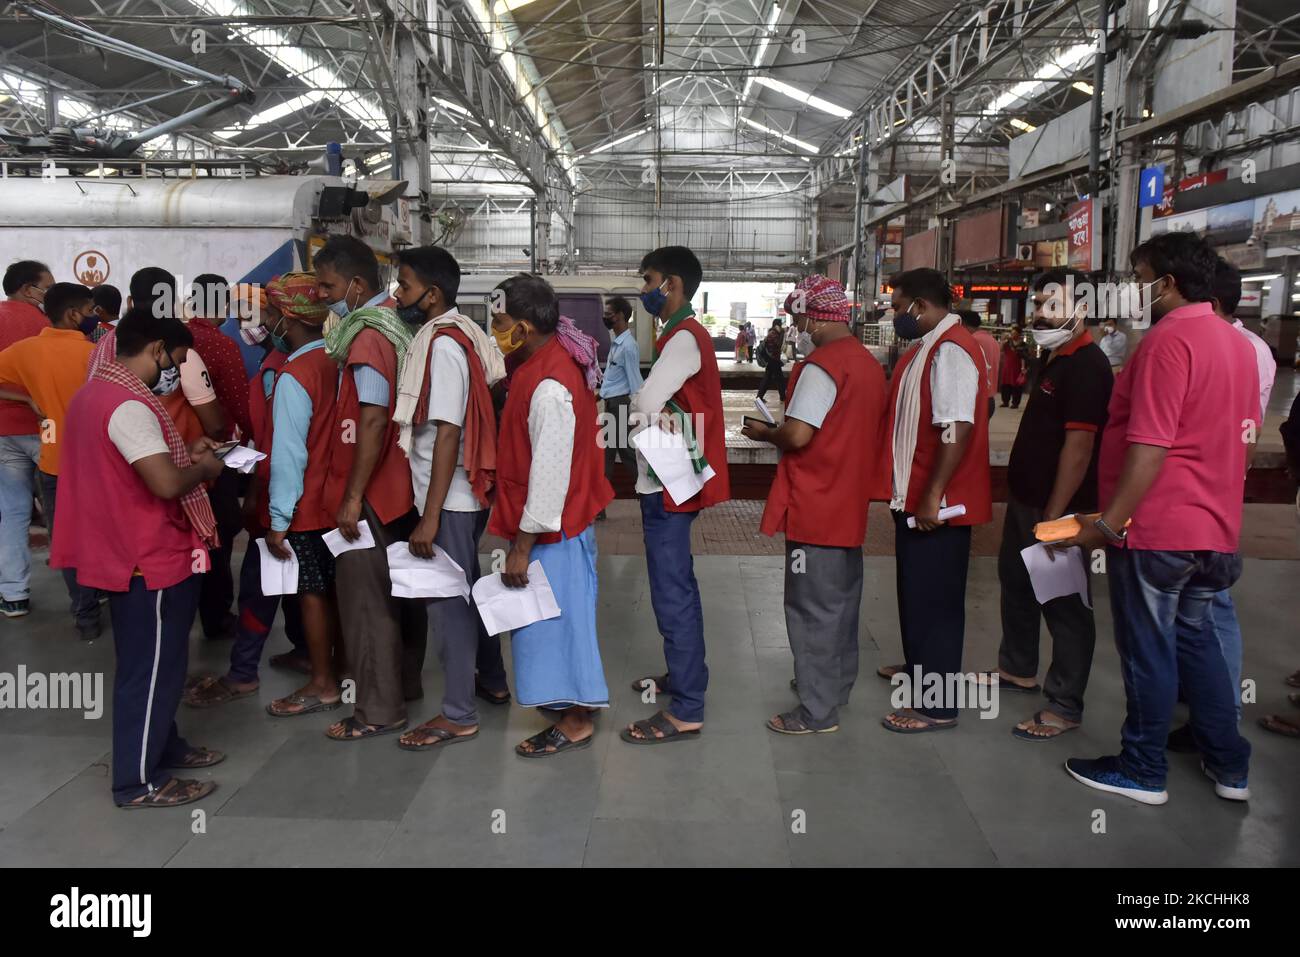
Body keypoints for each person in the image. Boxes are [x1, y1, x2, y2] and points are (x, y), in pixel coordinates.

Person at [1057, 231, 1257, 805]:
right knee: (1197, 644)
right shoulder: (1236, 342)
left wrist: (1111, 523)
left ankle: (1142, 768)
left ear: (1166, 284)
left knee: (1148, 648)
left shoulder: (1168, 342)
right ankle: (1230, 766)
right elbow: (1240, 441)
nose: (1131, 288)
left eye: (1138, 277)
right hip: (1215, 529)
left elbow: (1150, 444)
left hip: (1160, 530)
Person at [53, 307, 226, 807]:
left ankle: (165, 746)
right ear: (155, 350)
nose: (175, 371)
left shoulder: (93, 393)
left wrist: (188, 453)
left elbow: (136, 466)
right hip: (144, 555)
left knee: (156, 664)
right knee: (147, 671)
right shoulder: (128, 404)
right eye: (175, 359)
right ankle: (138, 783)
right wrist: (206, 467)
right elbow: (166, 482)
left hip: (120, 545)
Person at [743, 275, 886, 734]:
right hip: (848, 501)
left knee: (810, 609)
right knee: (841, 603)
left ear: (810, 317)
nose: (794, 326)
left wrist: (766, 432)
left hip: (816, 504)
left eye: (795, 317)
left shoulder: (822, 366)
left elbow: (799, 434)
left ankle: (816, 710)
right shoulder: (866, 364)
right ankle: (834, 684)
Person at [975, 269, 1113, 740]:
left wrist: (1054, 518)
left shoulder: (1089, 366)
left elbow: (1079, 450)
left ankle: (1064, 703)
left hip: (1060, 511)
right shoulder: (1056, 359)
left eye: (1050, 304)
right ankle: (1017, 668)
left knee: (1064, 602)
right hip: (1028, 501)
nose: (1039, 313)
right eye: (1037, 304)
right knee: (1015, 581)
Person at [389, 246, 512, 750]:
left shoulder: (441, 346)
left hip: (451, 498)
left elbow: (447, 434)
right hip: (462, 495)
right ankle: (491, 680)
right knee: (470, 589)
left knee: (448, 604)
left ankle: (459, 714)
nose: (399, 295)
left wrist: (429, 517)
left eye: (406, 286)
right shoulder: (465, 333)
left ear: (432, 294)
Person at [487, 275, 613, 757]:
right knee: (553, 623)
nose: (494, 331)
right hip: (557, 525)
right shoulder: (546, 359)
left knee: (558, 625)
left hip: (553, 530)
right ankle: (568, 708)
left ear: (522, 327)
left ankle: (576, 719)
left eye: (499, 323)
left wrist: (521, 547)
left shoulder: (549, 386)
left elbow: (550, 473)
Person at [313, 236, 429, 740]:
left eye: (328, 286)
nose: (322, 295)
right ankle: (405, 685)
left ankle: (377, 710)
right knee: (403, 592)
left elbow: (374, 419)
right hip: (403, 486)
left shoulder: (366, 337)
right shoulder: (398, 324)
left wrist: (354, 495)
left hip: (374, 491)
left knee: (367, 601)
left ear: (356, 285)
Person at [183, 276, 316, 708]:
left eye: (262, 315)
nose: (251, 324)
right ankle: (306, 650)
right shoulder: (313, 360)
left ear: (286, 317)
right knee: (301, 581)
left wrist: (262, 504)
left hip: (280, 492)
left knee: (260, 584)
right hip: (308, 496)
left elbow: (279, 445)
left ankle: (243, 674)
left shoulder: (282, 370)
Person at [1163, 257, 1277, 754]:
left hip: (1204, 500)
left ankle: (1221, 720)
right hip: (1208, 496)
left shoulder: (1238, 348)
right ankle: (1210, 712)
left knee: (1211, 610)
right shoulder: (1236, 344)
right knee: (1196, 611)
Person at [625, 245, 731, 744]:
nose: (642, 289)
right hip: (668, 478)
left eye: (647, 280)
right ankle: (685, 677)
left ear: (671, 284)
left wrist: (644, 405)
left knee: (672, 591)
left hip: (669, 485)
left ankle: (687, 706)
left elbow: (645, 402)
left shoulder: (684, 338)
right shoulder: (679, 334)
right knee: (676, 585)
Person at [878, 268, 992, 732]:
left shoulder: (951, 350)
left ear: (920, 306)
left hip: (939, 506)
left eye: (897, 305)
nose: (892, 314)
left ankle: (936, 704)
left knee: (938, 602)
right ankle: (921, 669)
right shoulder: (928, 348)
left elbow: (957, 426)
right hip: (916, 498)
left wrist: (932, 496)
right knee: (916, 593)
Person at [262, 276, 347, 718]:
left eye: (267, 313)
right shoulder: (339, 358)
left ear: (286, 317)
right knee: (339, 590)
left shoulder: (295, 374)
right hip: (343, 501)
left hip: (308, 506)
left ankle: (322, 683)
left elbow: (289, 453)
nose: (263, 321)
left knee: (311, 592)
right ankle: (343, 669)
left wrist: (279, 520)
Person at [0, 282, 101, 637]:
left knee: (66, 539)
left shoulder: (25, 351)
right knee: (98, 535)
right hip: (97, 461)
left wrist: (25, 399)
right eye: (90, 311)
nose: (94, 317)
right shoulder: (97, 353)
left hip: (53, 456)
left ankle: (84, 615)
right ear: (74, 314)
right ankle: (100, 593)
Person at [185, 273, 252, 640]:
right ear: (223, 304)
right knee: (220, 533)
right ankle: (217, 616)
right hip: (217, 453)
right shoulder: (220, 345)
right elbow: (239, 404)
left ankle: (186, 607)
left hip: (174, 454)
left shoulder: (177, 339)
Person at [0, 260, 52, 618]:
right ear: (26, 288)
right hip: (45, 428)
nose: (48, 294)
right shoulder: (45, 325)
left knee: (13, 512)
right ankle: (87, 592)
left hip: (3, 432)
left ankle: (14, 594)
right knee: (62, 507)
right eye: (45, 288)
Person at [599, 294, 643, 499]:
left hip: (620, 407)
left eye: (609, 314)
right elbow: (612, 379)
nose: (605, 317)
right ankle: (599, 503)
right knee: (609, 455)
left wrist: (636, 414)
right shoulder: (617, 343)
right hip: (613, 405)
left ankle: (648, 494)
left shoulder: (628, 347)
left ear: (620, 316)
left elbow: (635, 382)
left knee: (623, 454)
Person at [959, 310, 999, 419]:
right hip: (990, 399)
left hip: (975, 400)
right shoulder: (993, 341)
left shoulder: (971, 340)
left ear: (963, 324)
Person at [999, 324, 1029, 408]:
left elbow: (1025, 357)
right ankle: (1005, 402)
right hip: (1007, 367)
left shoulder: (1023, 345)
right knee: (1005, 385)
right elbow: (1000, 349)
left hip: (1017, 367)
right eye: (1012, 333)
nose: (1012, 335)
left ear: (1019, 334)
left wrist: (1023, 368)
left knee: (1017, 386)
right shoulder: (1008, 342)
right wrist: (1003, 341)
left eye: (1014, 333)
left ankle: (1015, 403)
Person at [756, 321, 786, 404]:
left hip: (773, 359)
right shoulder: (774, 333)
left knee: (769, 378)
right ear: (777, 325)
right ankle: (783, 397)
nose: (782, 327)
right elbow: (778, 344)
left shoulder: (773, 332)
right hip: (772, 359)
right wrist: (782, 334)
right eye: (780, 325)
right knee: (779, 379)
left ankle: (760, 397)